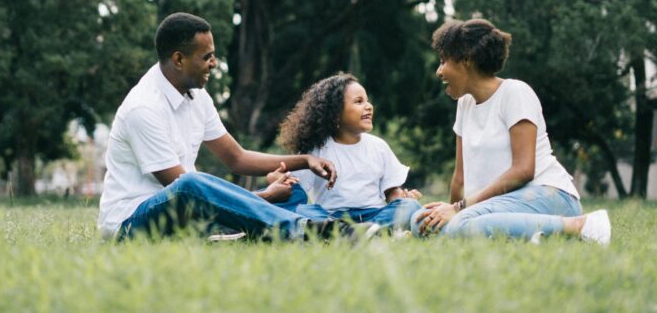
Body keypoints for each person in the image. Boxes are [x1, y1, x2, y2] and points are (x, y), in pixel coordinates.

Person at [97, 12, 344, 241]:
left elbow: (237, 158)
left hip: (189, 211)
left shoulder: (197, 96)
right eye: (207, 57)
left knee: (293, 193)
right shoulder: (143, 108)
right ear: (179, 59)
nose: (214, 63)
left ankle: (340, 225)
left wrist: (304, 161)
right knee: (190, 183)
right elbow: (186, 193)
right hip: (132, 222)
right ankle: (302, 229)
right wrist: (265, 196)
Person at [412, 18, 611, 245]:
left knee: (462, 224)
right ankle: (530, 235)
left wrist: (459, 210)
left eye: (442, 61)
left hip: (546, 195)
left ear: (465, 60)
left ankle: (580, 225)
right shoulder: (465, 105)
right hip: (495, 205)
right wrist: (447, 213)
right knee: (420, 223)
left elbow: (523, 170)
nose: (439, 71)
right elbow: (460, 179)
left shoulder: (515, 93)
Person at [271, 73, 423, 231]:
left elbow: (392, 191)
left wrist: (402, 199)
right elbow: (295, 189)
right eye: (359, 102)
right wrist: (278, 179)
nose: (369, 106)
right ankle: (355, 231)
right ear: (335, 113)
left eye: (367, 101)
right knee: (304, 211)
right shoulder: (315, 151)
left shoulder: (379, 146)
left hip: (374, 215)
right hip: (331, 217)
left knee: (410, 206)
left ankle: (366, 231)